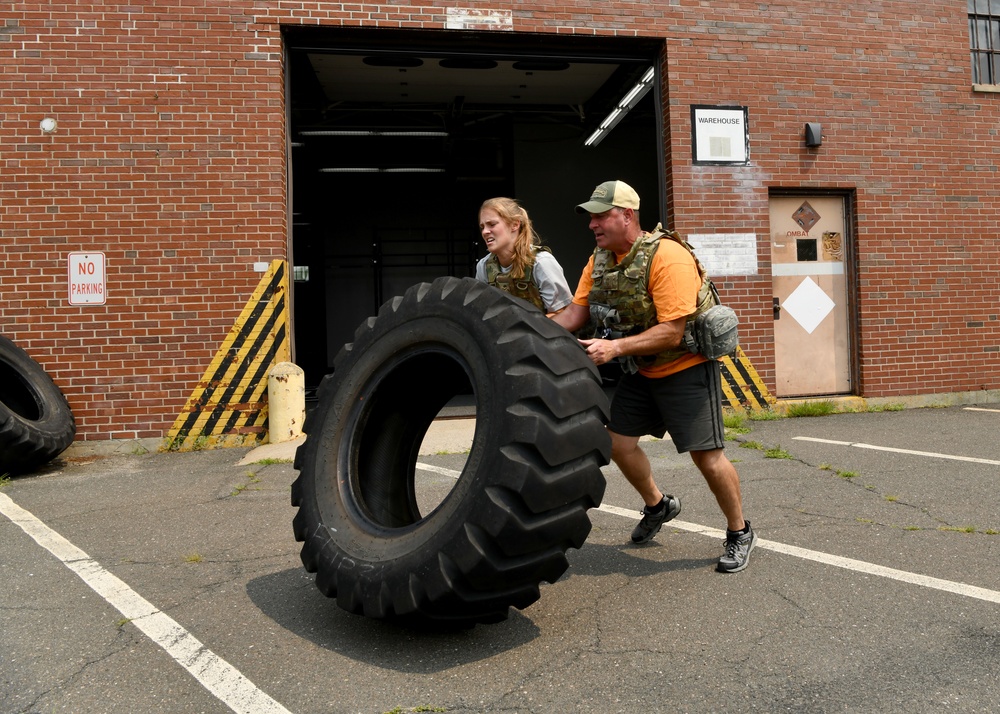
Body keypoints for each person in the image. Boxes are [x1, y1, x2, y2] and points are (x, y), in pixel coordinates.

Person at [551, 180, 756, 573]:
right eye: (590, 217)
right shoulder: (600, 260)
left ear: (626, 215)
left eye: (600, 215)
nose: (592, 224)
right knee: (617, 443)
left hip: (685, 368)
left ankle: (739, 531)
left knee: (707, 458)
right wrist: (530, 329)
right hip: (641, 368)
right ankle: (659, 505)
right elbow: (575, 315)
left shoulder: (668, 257)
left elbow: (671, 331)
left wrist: (614, 348)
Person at [476, 197, 573, 316]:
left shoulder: (541, 262)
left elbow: (561, 313)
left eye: (492, 224)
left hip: (542, 333)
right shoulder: (484, 266)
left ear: (515, 225)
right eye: (482, 227)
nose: (485, 231)